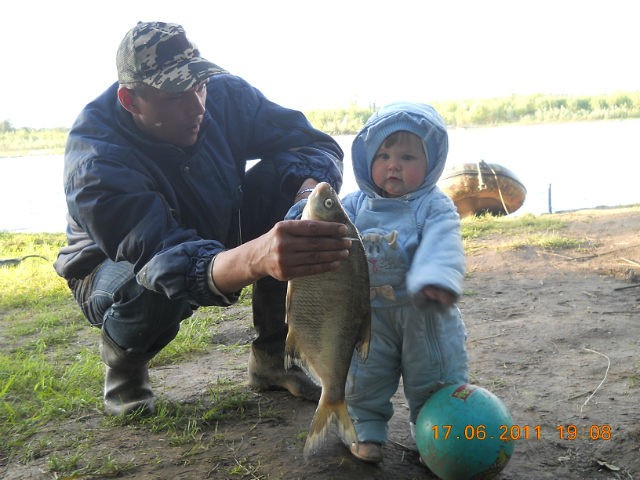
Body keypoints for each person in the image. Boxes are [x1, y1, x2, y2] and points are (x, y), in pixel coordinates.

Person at [53, 21, 348, 416]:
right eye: (176, 95)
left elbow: (311, 142)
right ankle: (124, 362)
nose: (197, 107)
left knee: (291, 187)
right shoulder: (96, 163)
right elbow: (163, 254)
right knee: (151, 282)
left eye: (199, 85)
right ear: (130, 100)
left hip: (210, 222)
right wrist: (259, 256)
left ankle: (274, 359)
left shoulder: (223, 96)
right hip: (112, 264)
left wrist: (305, 200)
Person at [341, 103, 469, 463]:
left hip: (424, 311)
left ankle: (440, 436)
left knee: (435, 374)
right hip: (368, 317)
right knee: (363, 376)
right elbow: (329, 236)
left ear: (431, 164)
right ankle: (363, 428)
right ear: (367, 159)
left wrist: (435, 279)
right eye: (383, 154)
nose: (393, 164)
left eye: (408, 156)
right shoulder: (352, 206)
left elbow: (443, 244)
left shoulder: (434, 206)